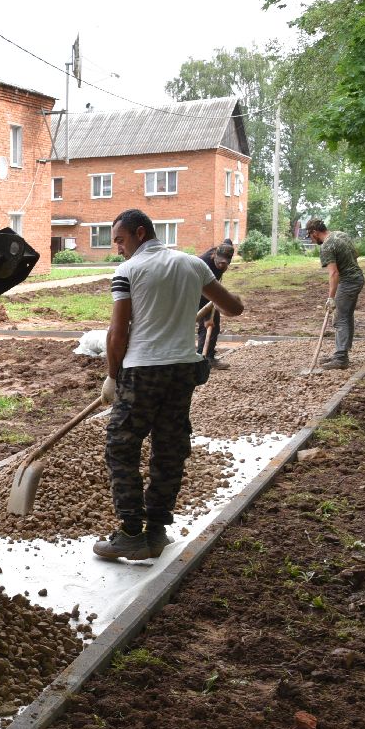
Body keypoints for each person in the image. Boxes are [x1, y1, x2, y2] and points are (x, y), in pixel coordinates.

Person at [94, 209, 244, 562]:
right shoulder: (192, 264)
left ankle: (131, 533)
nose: (118, 248)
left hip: (142, 371)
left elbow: (117, 332)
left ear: (140, 233)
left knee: (121, 447)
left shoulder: (128, 270)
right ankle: (157, 530)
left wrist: (112, 376)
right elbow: (233, 308)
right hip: (181, 371)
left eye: (120, 240)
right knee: (169, 447)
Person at [305, 217, 363, 370]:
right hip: (357, 278)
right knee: (346, 315)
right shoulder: (340, 234)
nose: (311, 240)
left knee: (340, 318)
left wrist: (331, 298)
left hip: (348, 282)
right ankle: (342, 352)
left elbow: (334, 273)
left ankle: (341, 358)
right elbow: (356, 254)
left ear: (315, 232)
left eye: (310, 236)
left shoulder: (327, 246)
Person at [195, 240, 236, 370]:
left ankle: (207, 358)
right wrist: (207, 317)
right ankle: (201, 360)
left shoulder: (221, 256)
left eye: (225, 263)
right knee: (206, 325)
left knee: (213, 326)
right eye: (220, 262)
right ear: (214, 255)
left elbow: (227, 242)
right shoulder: (204, 263)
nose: (222, 264)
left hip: (207, 292)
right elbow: (201, 291)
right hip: (194, 292)